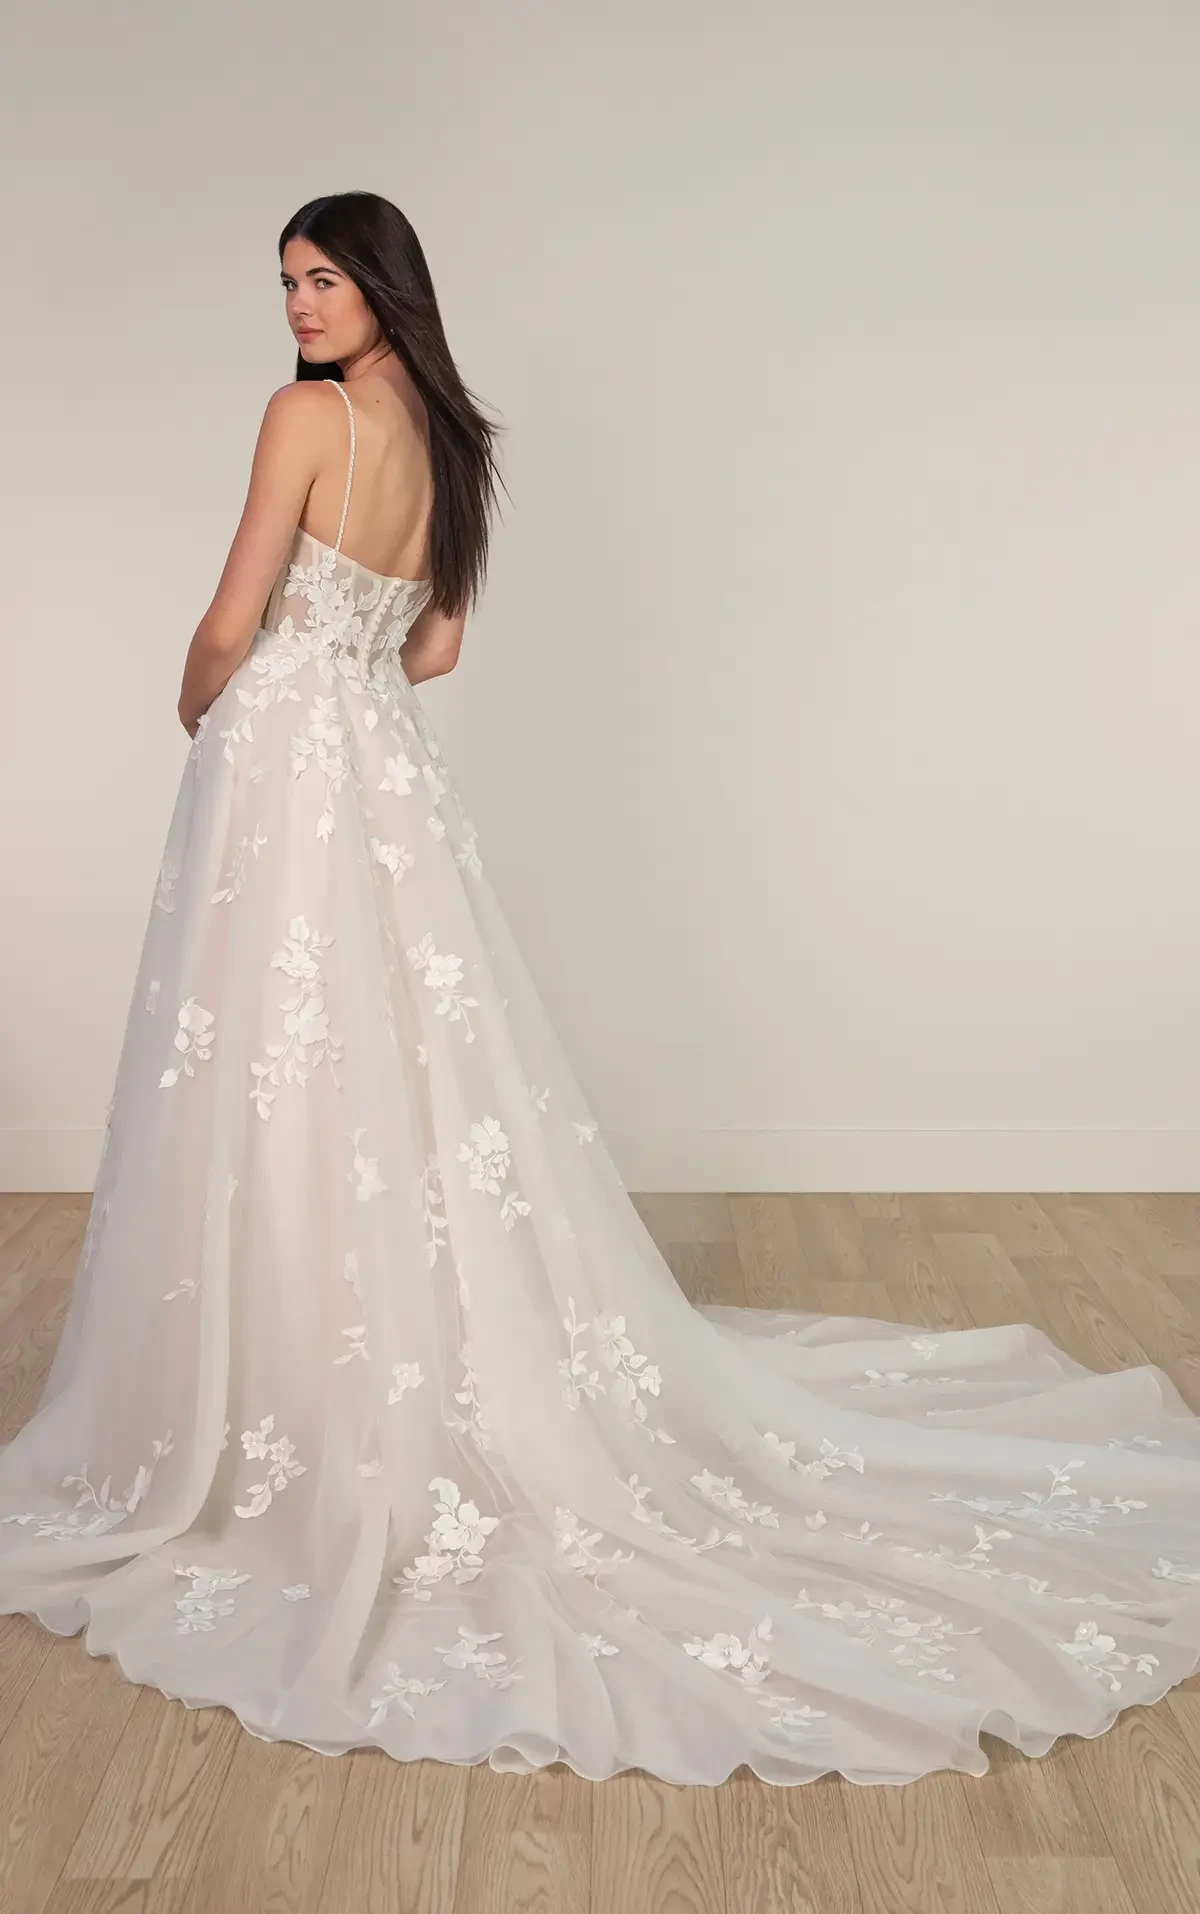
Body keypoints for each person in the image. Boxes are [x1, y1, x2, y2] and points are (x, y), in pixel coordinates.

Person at [2, 190, 1200, 1789]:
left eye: (324, 276)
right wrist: (332, 659)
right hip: (380, 771)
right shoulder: (449, 439)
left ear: (381, 287)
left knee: (277, 1080)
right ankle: (349, 1381)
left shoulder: (303, 418)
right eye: (285, 280)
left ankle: (272, 1400)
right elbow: (430, 657)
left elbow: (230, 617)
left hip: (287, 758)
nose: (298, 302)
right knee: (387, 1075)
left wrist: (205, 697)